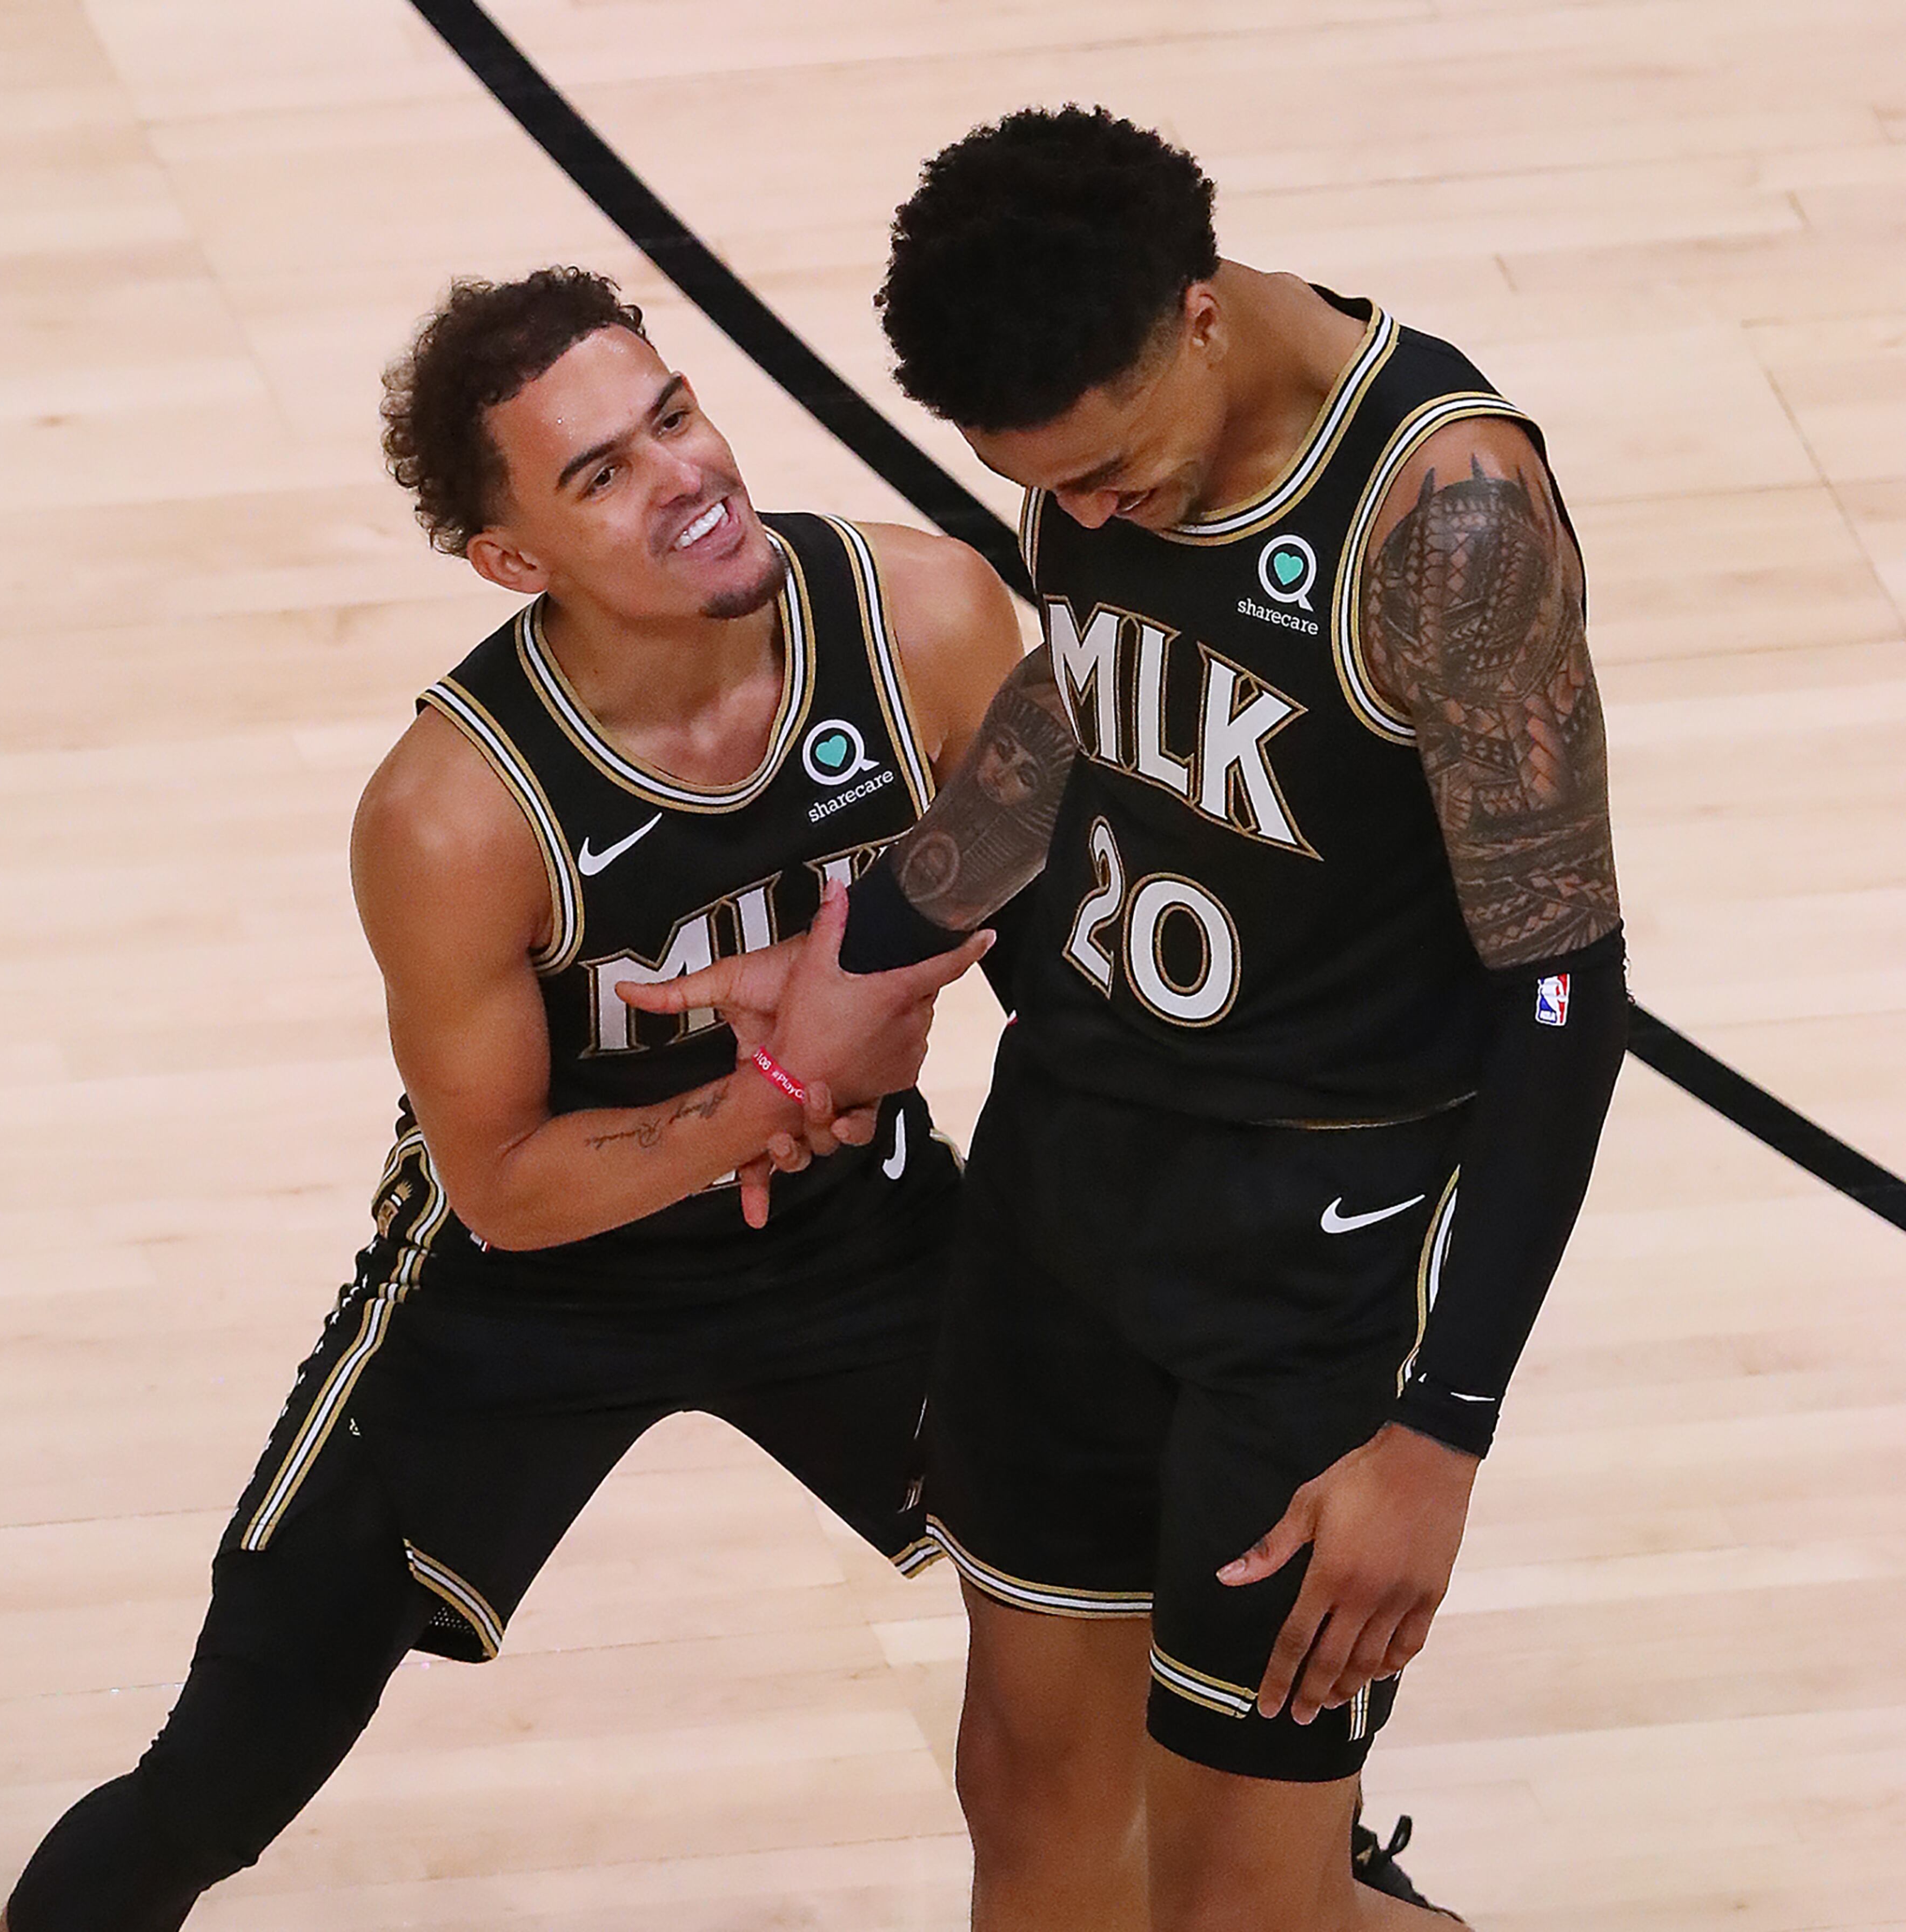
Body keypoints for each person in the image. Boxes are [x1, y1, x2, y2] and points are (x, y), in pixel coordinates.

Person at [632, 108, 1627, 1931]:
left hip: (1310, 1251)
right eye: (1049, 491)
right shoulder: (1100, 439)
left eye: (1109, 475)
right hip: (1071, 1174)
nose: (1088, 517)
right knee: (1034, 1826)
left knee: (1238, 1907)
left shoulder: (1444, 513)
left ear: (1199, 316)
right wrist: (874, 942)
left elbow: (1562, 985)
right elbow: (1077, 691)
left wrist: (1445, 1432)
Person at [0, 267, 1014, 1931]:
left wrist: (879, 1010)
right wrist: (778, 1082)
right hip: (526, 1291)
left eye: (673, 415)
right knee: (220, 1776)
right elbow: (503, 1184)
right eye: (601, 473)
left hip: (862, 1230)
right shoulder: (454, 812)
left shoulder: (929, 617)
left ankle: (1337, 1887)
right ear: (514, 560)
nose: (684, 476)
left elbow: (1048, 935)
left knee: (1183, 1627)